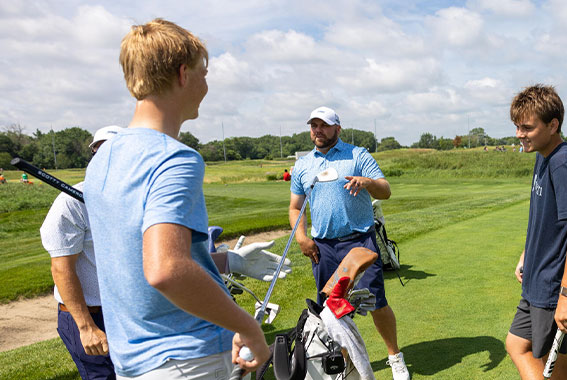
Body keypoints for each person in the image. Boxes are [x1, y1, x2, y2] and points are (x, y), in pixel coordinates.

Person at [83, 19, 270, 378]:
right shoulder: (174, 158)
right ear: (183, 74)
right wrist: (247, 326)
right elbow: (166, 270)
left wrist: (226, 260)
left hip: (134, 363)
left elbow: (133, 262)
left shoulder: (102, 159)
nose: (206, 83)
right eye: (204, 71)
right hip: (186, 358)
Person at [289, 106, 410, 380]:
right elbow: (296, 207)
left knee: (376, 301)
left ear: (337, 128)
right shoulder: (303, 165)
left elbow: (385, 190)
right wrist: (301, 237)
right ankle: (340, 363)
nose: (318, 130)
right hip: (323, 247)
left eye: (324, 125)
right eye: (314, 125)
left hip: (359, 241)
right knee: (329, 311)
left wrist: (367, 182)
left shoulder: (358, 154)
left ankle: (394, 357)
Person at [505, 84, 567, 380]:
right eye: (517, 126)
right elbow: (544, 219)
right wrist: (526, 254)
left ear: (553, 124)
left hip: (555, 286)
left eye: (527, 127)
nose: (520, 133)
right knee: (518, 345)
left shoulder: (564, 162)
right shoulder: (543, 156)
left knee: (552, 365)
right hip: (537, 278)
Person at [41, 126, 122, 380]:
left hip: (123, 312)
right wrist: (86, 327)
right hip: (88, 316)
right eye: (99, 150)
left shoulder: (132, 198)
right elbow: (61, 268)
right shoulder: (71, 202)